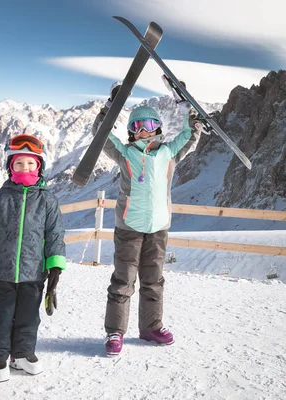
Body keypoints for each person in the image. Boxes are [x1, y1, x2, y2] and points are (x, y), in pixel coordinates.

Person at [92, 83, 200, 357]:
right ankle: (115, 331)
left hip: (159, 228)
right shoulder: (125, 153)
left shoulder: (168, 152)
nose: (143, 129)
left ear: (158, 127)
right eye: (137, 125)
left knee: (154, 281)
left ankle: (151, 327)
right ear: (131, 130)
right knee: (123, 281)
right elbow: (100, 135)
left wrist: (188, 109)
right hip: (129, 228)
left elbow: (189, 135)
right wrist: (110, 108)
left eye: (149, 123)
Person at [0, 133, 66, 381]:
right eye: (19, 163)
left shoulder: (47, 200)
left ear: (40, 167)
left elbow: (55, 234)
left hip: (34, 272)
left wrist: (55, 267)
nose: (25, 167)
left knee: (28, 317)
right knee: (1, 317)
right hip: (2, 270)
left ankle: (23, 354)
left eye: (30, 163)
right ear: (10, 167)